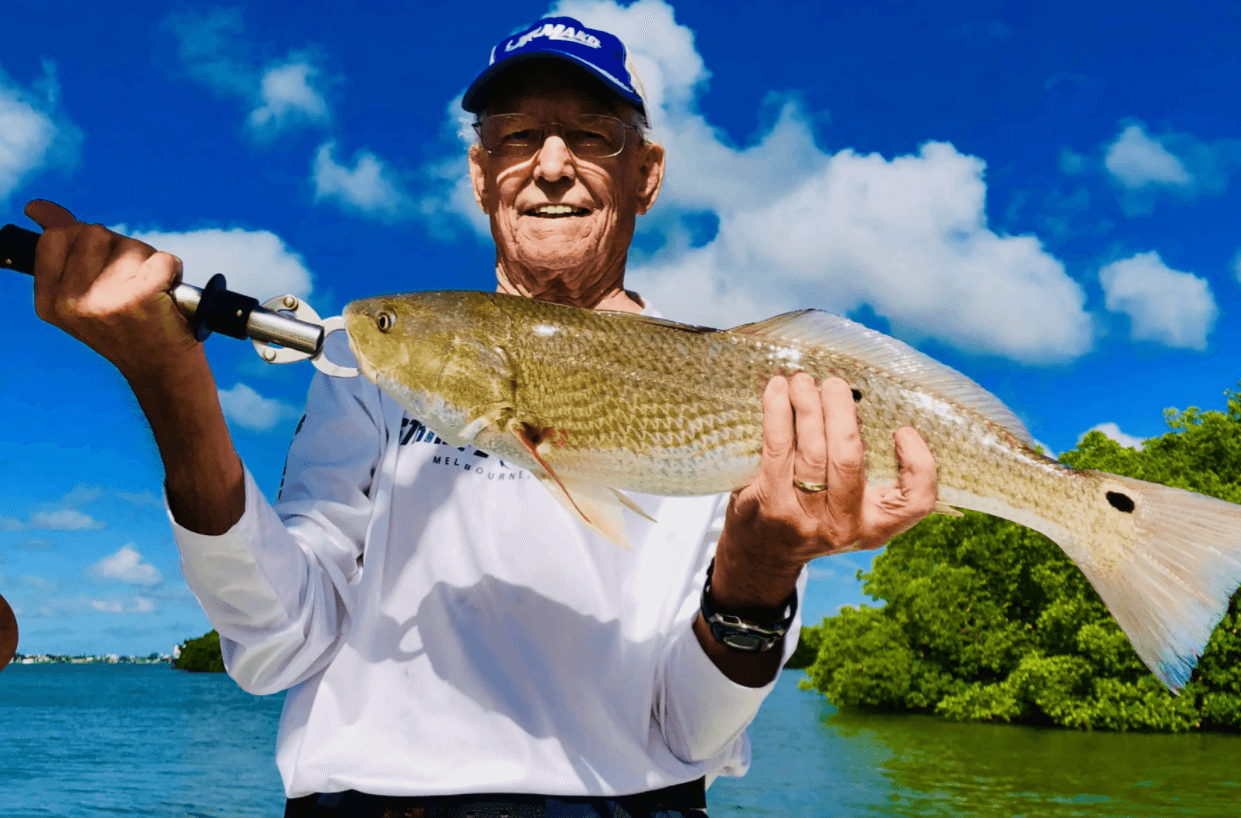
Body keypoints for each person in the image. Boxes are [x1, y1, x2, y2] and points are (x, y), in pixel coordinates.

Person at [24, 15, 937, 818]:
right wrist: (171, 382)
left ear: (647, 174)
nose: (549, 164)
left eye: (591, 136)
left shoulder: (748, 396)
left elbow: (693, 737)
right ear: (478, 170)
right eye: (516, 135)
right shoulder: (363, 362)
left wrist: (760, 565)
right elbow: (276, 649)